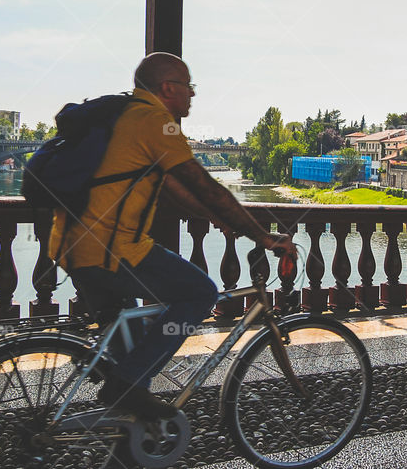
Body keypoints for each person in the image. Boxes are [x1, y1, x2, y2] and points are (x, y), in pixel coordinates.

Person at [49, 52, 296, 419]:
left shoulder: (125, 115)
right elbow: (202, 184)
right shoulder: (155, 122)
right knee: (200, 292)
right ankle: (125, 388)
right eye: (188, 86)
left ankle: (127, 436)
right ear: (168, 88)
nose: (192, 95)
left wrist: (213, 216)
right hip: (111, 250)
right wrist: (263, 237)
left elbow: (166, 185)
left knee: (130, 353)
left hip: (70, 245)